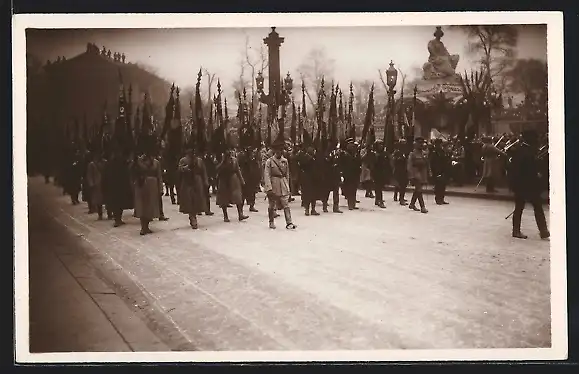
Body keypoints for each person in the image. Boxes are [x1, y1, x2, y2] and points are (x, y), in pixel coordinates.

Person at [508, 130, 550, 239]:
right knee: (532, 207)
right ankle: (541, 231)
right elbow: (525, 169)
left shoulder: (523, 150)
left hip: (524, 185)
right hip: (526, 184)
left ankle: (541, 230)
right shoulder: (525, 151)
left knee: (522, 207)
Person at [263, 139, 297, 229]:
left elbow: (287, 175)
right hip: (273, 184)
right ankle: (271, 222)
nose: (280, 152)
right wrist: (268, 188)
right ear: (274, 151)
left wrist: (288, 186)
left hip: (283, 184)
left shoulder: (285, 161)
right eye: (278, 150)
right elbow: (267, 175)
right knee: (271, 205)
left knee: (286, 204)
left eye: (281, 150)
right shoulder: (269, 161)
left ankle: (289, 222)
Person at [132, 139, 163, 235]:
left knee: (150, 206)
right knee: (142, 205)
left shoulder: (156, 162)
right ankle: (143, 227)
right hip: (142, 184)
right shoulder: (138, 161)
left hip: (153, 185)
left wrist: (160, 188)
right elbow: (134, 173)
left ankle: (147, 225)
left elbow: (159, 176)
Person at [178, 143, 211, 229]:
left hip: (197, 181)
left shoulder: (199, 160)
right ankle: (192, 217)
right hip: (187, 181)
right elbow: (180, 169)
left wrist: (206, 181)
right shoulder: (183, 160)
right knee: (189, 200)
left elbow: (203, 171)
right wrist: (185, 169)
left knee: (197, 200)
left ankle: (194, 215)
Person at [103, 144, 134, 227]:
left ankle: (118, 219)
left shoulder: (112, 162)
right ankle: (117, 219)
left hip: (116, 185)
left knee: (117, 203)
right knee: (117, 203)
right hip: (117, 185)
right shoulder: (117, 162)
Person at [216, 149, 249, 222]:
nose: (229, 154)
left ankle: (240, 214)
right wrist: (223, 162)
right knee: (224, 198)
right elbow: (217, 169)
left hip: (233, 179)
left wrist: (242, 180)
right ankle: (225, 216)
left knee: (238, 197)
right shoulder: (220, 160)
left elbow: (238, 170)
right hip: (223, 180)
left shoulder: (234, 160)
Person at [407, 137, 429, 213]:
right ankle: (422, 207)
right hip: (415, 174)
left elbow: (426, 164)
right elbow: (409, 166)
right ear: (415, 144)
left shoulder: (424, 153)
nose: (420, 145)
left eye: (421, 143)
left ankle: (412, 204)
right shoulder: (412, 154)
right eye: (419, 143)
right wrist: (411, 176)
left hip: (422, 174)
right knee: (419, 189)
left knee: (417, 190)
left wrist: (428, 173)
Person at [297, 144, 319, 216]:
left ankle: (307, 209)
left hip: (305, 178)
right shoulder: (311, 159)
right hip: (311, 178)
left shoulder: (304, 157)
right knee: (312, 194)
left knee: (307, 194)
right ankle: (312, 209)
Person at [238, 147, 261, 213]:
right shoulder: (243, 157)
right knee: (243, 194)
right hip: (245, 177)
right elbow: (240, 165)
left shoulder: (254, 158)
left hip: (252, 178)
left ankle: (251, 206)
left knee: (252, 193)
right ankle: (240, 211)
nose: (253, 154)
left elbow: (256, 167)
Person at [341, 138, 361, 210]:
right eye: (351, 145)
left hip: (355, 174)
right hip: (348, 174)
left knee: (354, 189)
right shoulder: (345, 154)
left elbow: (359, 162)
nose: (352, 147)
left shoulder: (355, 154)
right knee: (350, 189)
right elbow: (343, 164)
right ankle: (350, 204)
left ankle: (353, 203)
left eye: (353, 146)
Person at [370, 140, 391, 209]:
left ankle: (377, 199)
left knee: (379, 186)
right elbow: (371, 164)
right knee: (378, 187)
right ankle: (380, 200)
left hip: (383, 172)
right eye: (379, 145)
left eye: (382, 144)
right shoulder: (374, 154)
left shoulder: (384, 153)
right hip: (376, 172)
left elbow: (388, 162)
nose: (381, 146)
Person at [86, 150, 107, 220]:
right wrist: (91, 183)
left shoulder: (105, 162)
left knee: (106, 199)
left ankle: (109, 213)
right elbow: (89, 175)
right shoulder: (92, 164)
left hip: (104, 183)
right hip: (97, 184)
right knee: (98, 201)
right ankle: (100, 214)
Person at [429, 138, 450, 205]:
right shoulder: (434, 152)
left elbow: (445, 160)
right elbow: (433, 163)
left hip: (444, 170)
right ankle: (438, 199)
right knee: (438, 186)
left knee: (443, 185)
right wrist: (437, 172)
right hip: (438, 171)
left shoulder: (442, 151)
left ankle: (442, 198)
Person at [392, 139, 409, 206]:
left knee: (402, 184)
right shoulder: (397, 152)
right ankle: (400, 198)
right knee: (400, 184)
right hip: (398, 170)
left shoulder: (404, 152)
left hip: (404, 170)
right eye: (403, 144)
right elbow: (393, 160)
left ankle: (400, 197)